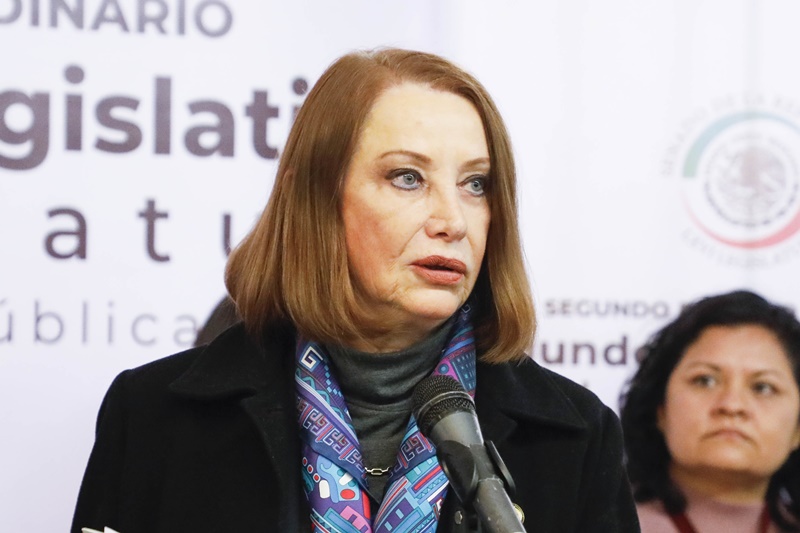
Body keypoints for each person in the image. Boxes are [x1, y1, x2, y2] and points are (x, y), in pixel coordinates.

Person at [72, 47, 638, 533]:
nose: (452, 221)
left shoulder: (577, 438)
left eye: (475, 184)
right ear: (316, 198)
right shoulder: (153, 416)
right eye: (407, 178)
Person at [620, 290, 800, 533]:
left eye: (763, 387)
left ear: (798, 428)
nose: (732, 405)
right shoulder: (600, 523)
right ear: (660, 408)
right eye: (705, 380)